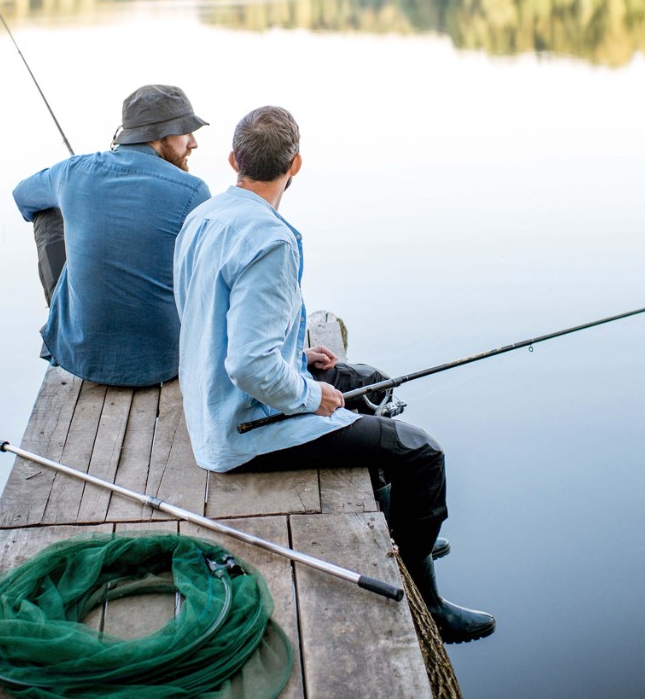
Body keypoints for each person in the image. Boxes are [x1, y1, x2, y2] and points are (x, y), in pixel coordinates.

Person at [173, 105, 495, 644]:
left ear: (233, 160)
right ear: (295, 164)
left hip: (214, 401)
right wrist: (307, 394)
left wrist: (297, 354)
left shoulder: (205, 216)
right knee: (422, 454)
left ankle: (404, 532)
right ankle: (429, 604)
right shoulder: (270, 241)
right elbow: (249, 366)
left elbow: (218, 319)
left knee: (371, 379)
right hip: (245, 429)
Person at [13, 84, 211, 387]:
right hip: (165, 362)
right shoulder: (194, 191)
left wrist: (80, 202)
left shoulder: (73, 171)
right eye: (186, 131)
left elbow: (23, 196)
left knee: (47, 210)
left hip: (81, 357)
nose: (193, 143)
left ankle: (67, 319)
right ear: (160, 136)